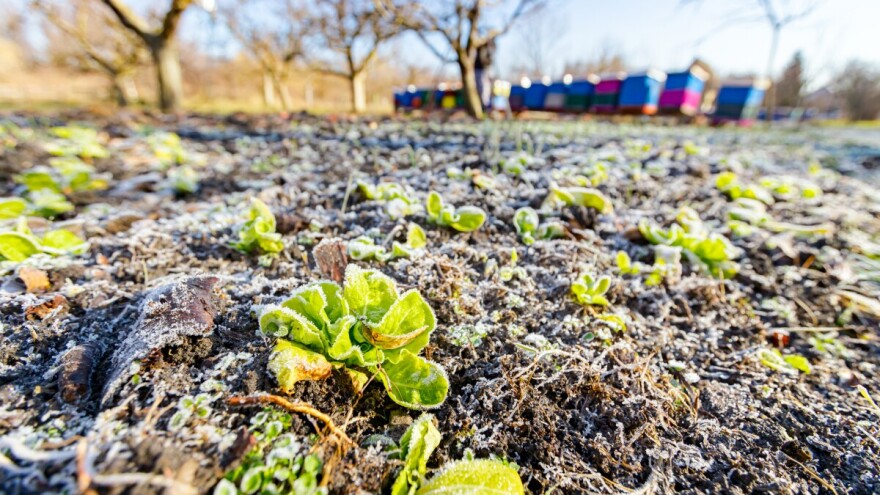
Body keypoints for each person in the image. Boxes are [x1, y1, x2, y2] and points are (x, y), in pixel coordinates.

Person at [474, 38, 496, 110]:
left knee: (487, 87)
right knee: (482, 88)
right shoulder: (480, 47)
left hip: (487, 69)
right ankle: (484, 105)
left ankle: (488, 104)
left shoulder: (491, 48)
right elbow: (482, 59)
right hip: (480, 69)